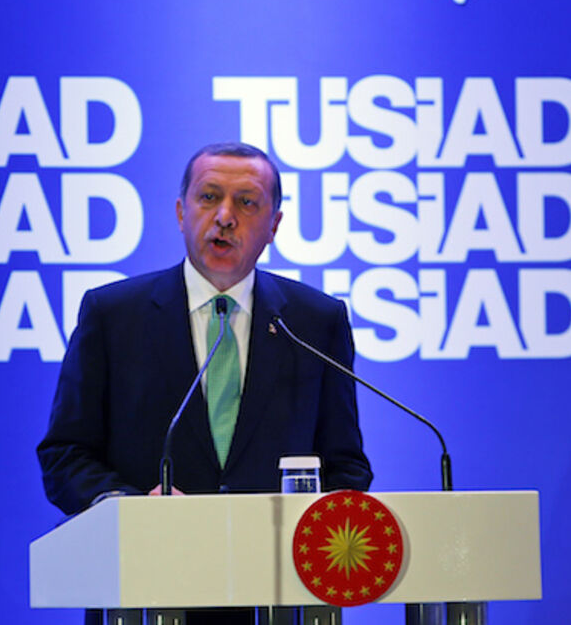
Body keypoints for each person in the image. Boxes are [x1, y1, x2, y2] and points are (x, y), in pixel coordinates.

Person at [37, 142, 372, 517]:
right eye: (209, 197)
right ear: (182, 213)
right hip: (150, 560)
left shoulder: (315, 322)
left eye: (247, 203)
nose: (225, 216)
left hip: (275, 564)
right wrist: (129, 510)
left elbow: (346, 467)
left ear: (274, 225)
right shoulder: (113, 315)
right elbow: (66, 455)